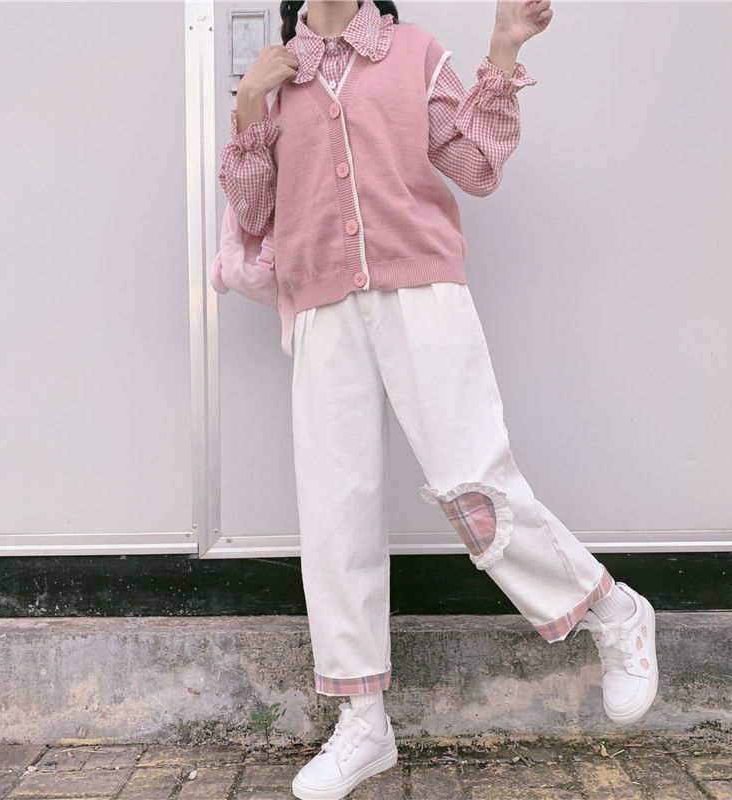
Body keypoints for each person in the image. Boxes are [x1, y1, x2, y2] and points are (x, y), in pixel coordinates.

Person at [218, 1, 659, 797]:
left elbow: (477, 169)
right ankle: (363, 723)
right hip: (321, 308)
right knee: (334, 514)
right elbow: (254, 216)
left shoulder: (413, 51)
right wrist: (250, 104)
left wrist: (503, 50)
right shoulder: (275, 79)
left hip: (422, 293)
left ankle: (610, 608)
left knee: (473, 485)